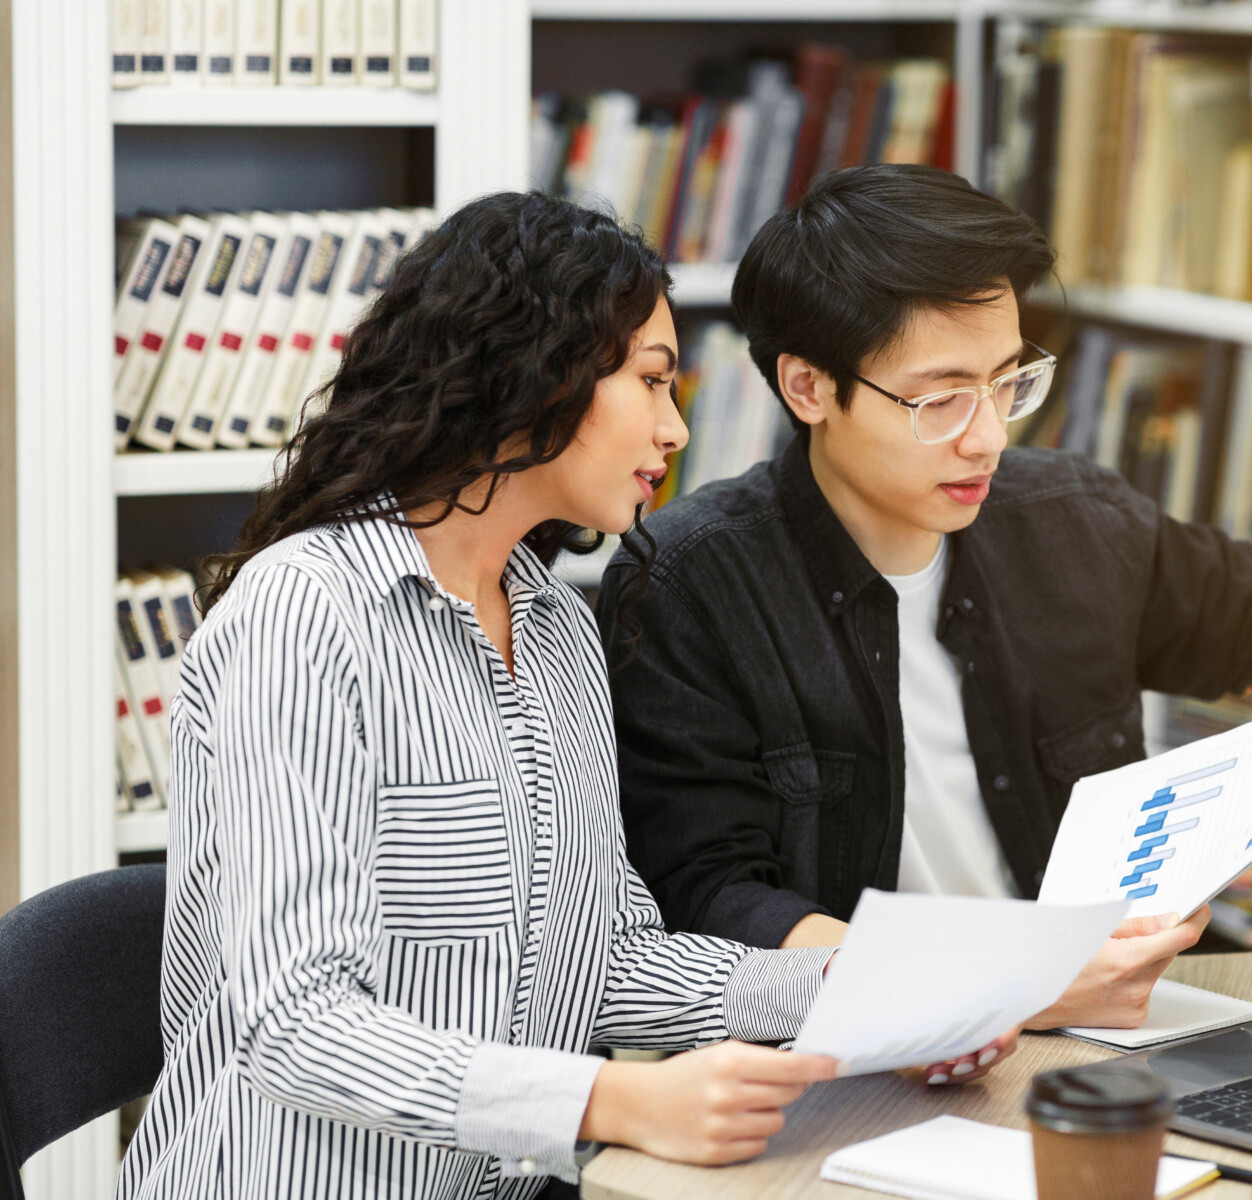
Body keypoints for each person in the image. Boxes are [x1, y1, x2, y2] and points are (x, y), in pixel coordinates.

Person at [118, 192, 1008, 1200]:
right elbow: (298, 1023)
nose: (675, 430)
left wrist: (860, 995)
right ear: (533, 373)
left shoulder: (556, 630)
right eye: (653, 382)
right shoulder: (304, 619)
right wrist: (609, 1103)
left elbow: (609, 959)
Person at [595, 165, 1252, 1031]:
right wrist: (1004, 988)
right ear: (809, 388)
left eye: (1007, 381)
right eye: (942, 400)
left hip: (1103, 1035)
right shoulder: (691, 580)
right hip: (865, 1059)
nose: (990, 436)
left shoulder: (1070, 518)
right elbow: (716, 903)